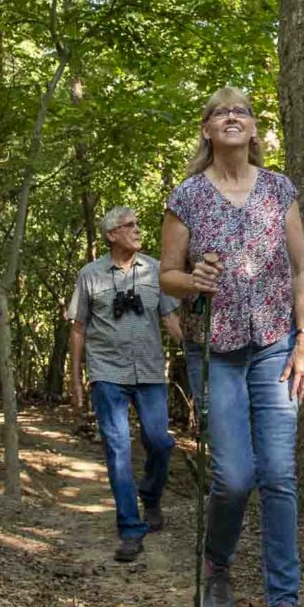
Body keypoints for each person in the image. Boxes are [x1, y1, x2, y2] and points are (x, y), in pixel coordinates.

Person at [160, 87, 304, 607]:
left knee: (278, 475)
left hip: (276, 346)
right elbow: (165, 276)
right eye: (221, 112)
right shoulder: (187, 196)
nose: (233, 118)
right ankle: (217, 565)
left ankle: (285, 605)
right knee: (234, 478)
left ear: (254, 130)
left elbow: (302, 272)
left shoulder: (280, 190)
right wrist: (192, 279)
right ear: (206, 130)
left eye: (242, 112)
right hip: (215, 351)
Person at [68, 206, 182, 563]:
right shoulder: (90, 275)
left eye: (136, 224)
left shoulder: (155, 270)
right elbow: (78, 327)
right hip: (107, 374)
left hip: (149, 373)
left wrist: (195, 350)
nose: (136, 229)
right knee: (118, 449)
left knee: (160, 442)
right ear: (111, 235)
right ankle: (130, 529)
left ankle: (150, 495)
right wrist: (75, 378)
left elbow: (170, 319)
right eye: (128, 226)